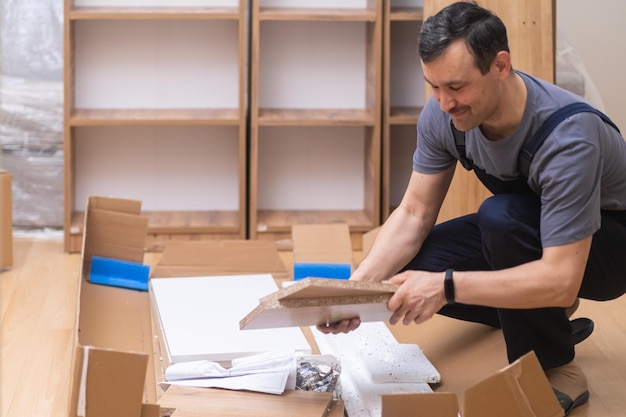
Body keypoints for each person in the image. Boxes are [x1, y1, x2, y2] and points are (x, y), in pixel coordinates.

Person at [316, 1, 626, 415]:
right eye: (433, 86)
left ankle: (557, 367)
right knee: (411, 268)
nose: (444, 103)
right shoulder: (444, 114)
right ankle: (539, 315)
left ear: (500, 66)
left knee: (498, 218)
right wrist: (357, 293)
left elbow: (563, 278)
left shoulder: (569, 136)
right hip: (534, 232)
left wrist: (444, 287)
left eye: (456, 87)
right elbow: (413, 215)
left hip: (605, 249)